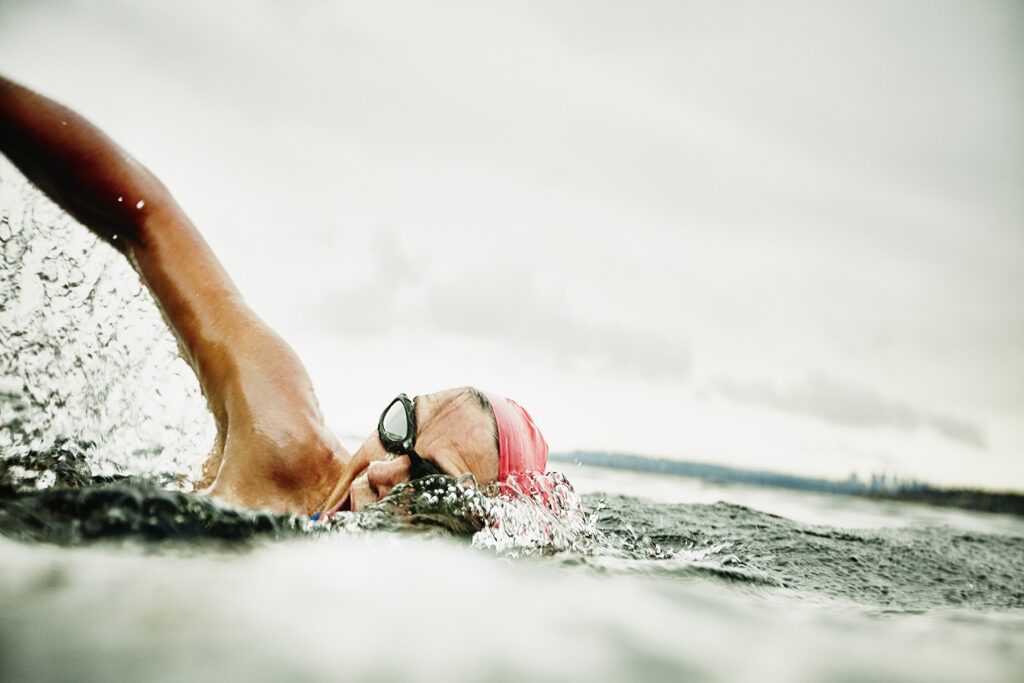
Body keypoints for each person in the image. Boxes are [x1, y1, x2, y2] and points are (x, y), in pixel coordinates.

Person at [0, 74, 548, 517]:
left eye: (430, 483)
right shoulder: (278, 429)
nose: (382, 473)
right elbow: (145, 218)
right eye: (400, 427)